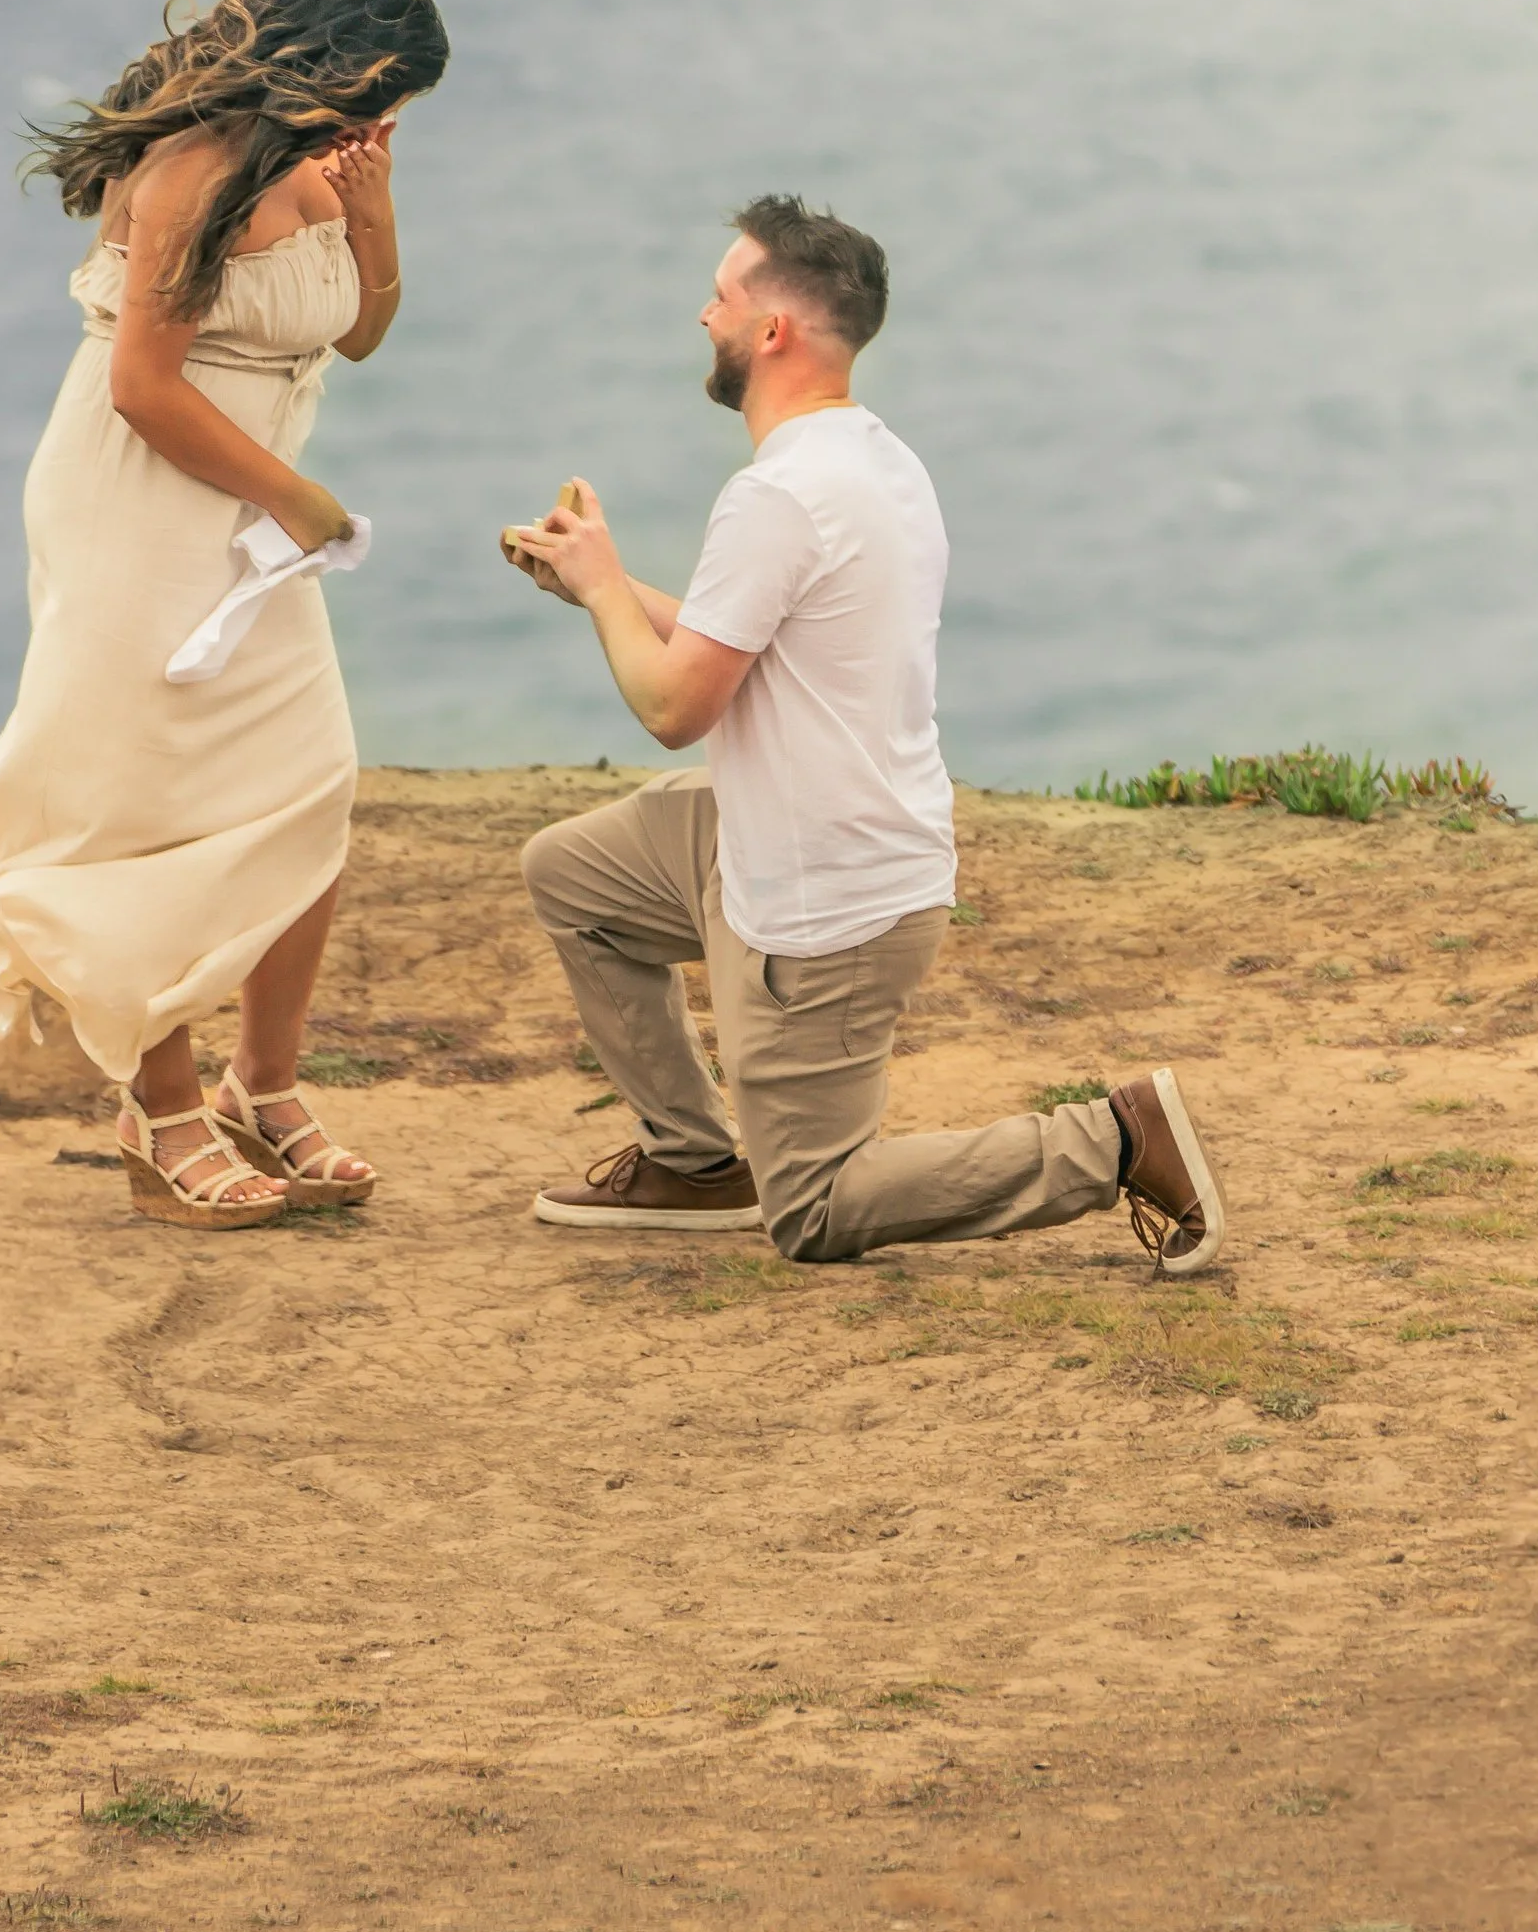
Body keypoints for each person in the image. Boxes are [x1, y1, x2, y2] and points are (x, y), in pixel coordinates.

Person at [503, 194, 1225, 1271]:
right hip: (791, 832)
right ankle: (695, 1164)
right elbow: (742, 643)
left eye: (721, 296)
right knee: (572, 874)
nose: (703, 314)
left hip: (822, 898)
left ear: (773, 331)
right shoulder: (875, 461)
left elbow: (672, 710)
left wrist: (607, 591)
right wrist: (597, 586)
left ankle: (1114, 1140)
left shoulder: (777, 498)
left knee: (816, 1210)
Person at [0, 0, 448, 1226]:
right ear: (326, 68)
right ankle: (158, 1115)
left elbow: (359, 332)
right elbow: (143, 390)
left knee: (309, 785)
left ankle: (263, 1087)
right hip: (136, 500)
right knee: (135, 804)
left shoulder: (325, 169)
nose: (385, 127)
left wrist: (372, 210)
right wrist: (297, 500)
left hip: (250, 506)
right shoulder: (188, 174)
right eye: (380, 100)